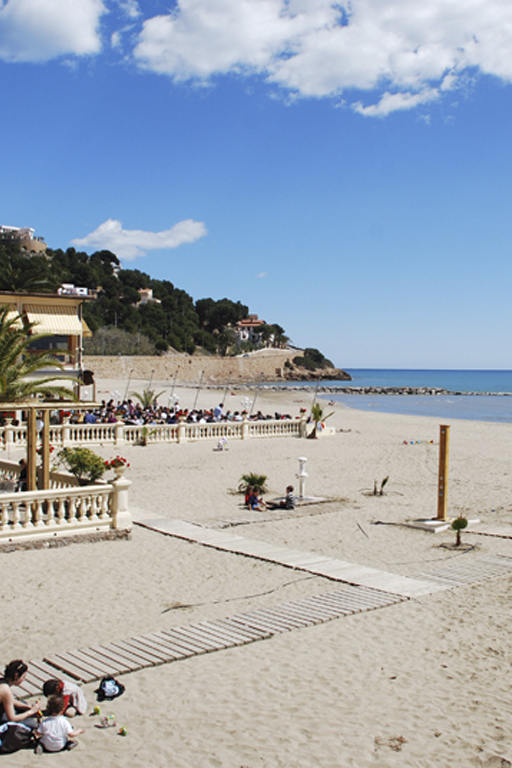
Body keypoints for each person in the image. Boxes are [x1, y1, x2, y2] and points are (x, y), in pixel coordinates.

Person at [0, 660, 41, 729]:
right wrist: (31, 712)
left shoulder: (1, 682)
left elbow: (10, 700)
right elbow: (12, 718)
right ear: (16, 676)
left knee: (22, 703)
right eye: (23, 677)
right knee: (32, 724)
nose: (24, 680)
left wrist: (27, 707)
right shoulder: (5, 690)